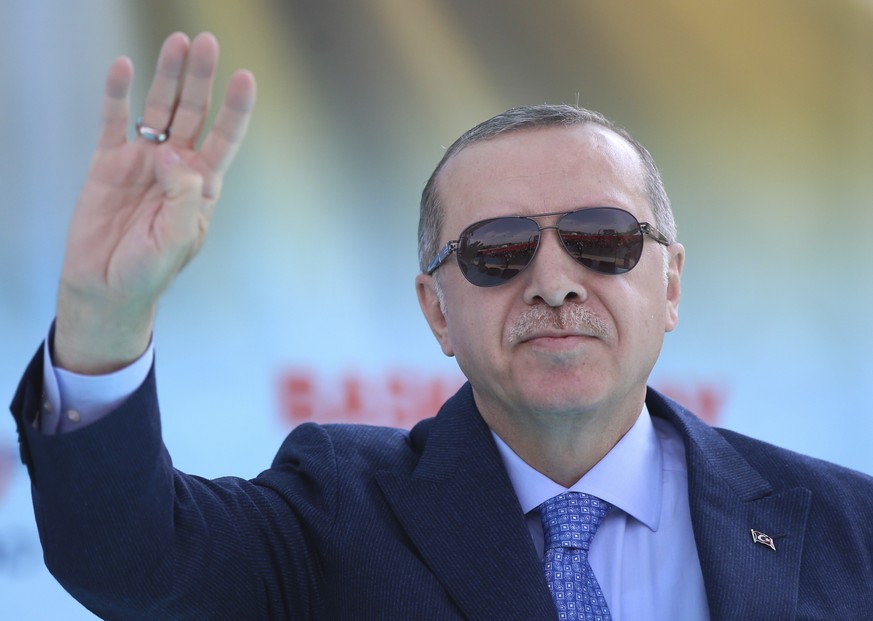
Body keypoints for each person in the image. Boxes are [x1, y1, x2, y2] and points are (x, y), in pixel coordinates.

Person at [9, 31, 873, 621]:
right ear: (435, 311)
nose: (555, 283)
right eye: (497, 251)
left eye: (600, 239)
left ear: (671, 281)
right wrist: (104, 313)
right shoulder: (339, 507)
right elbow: (128, 560)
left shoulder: (846, 523)